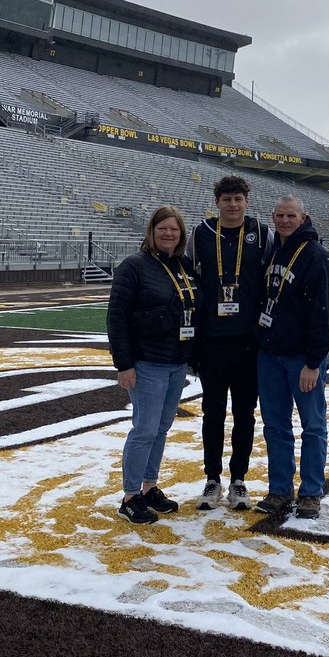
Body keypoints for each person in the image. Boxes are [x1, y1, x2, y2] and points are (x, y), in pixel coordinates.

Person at [107, 205, 202, 524]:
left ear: (181, 235)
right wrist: (124, 363)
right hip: (147, 361)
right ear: (151, 231)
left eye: (174, 229)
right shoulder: (134, 266)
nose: (168, 233)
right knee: (144, 429)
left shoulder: (183, 264)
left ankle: (149, 487)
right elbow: (116, 317)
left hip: (176, 361)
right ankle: (130, 495)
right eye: (163, 228)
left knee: (161, 428)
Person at [188, 175, 274, 511]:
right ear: (217, 202)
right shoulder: (201, 233)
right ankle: (212, 479)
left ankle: (239, 480)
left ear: (247, 201)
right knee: (212, 414)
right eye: (227, 199)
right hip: (212, 341)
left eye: (238, 199)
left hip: (248, 342)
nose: (233, 205)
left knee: (245, 415)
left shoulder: (261, 233)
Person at [254, 195, 329, 520]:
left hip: (302, 359)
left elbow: (326, 315)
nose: (285, 220)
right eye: (280, 215)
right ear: (273, 217)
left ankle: (311, 492)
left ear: (304, 218)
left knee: (313, 426)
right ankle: (280, 489)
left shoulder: (317, 257)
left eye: (291, 215)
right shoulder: (273, 251)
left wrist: (314, 362)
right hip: (270, 355)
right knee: (275, 426)